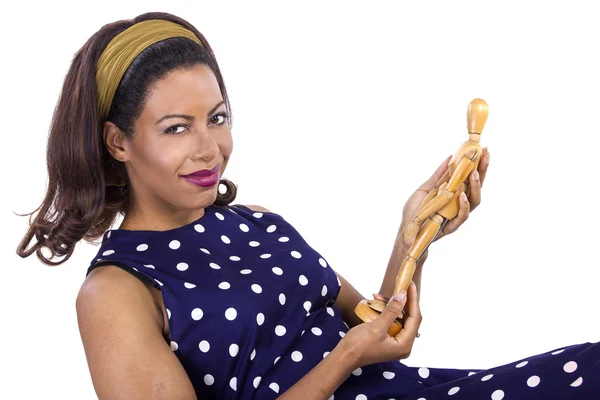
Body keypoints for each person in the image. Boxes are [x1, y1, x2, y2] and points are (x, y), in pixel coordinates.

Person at [16, 11, 597, 400]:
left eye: (218, 118)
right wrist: (342, 361)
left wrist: (414, 234)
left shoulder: (257, 224)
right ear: (118, 141)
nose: (208, 148)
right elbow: (350, 351)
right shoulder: (115, 292)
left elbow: (374, 328)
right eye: (175, 128)